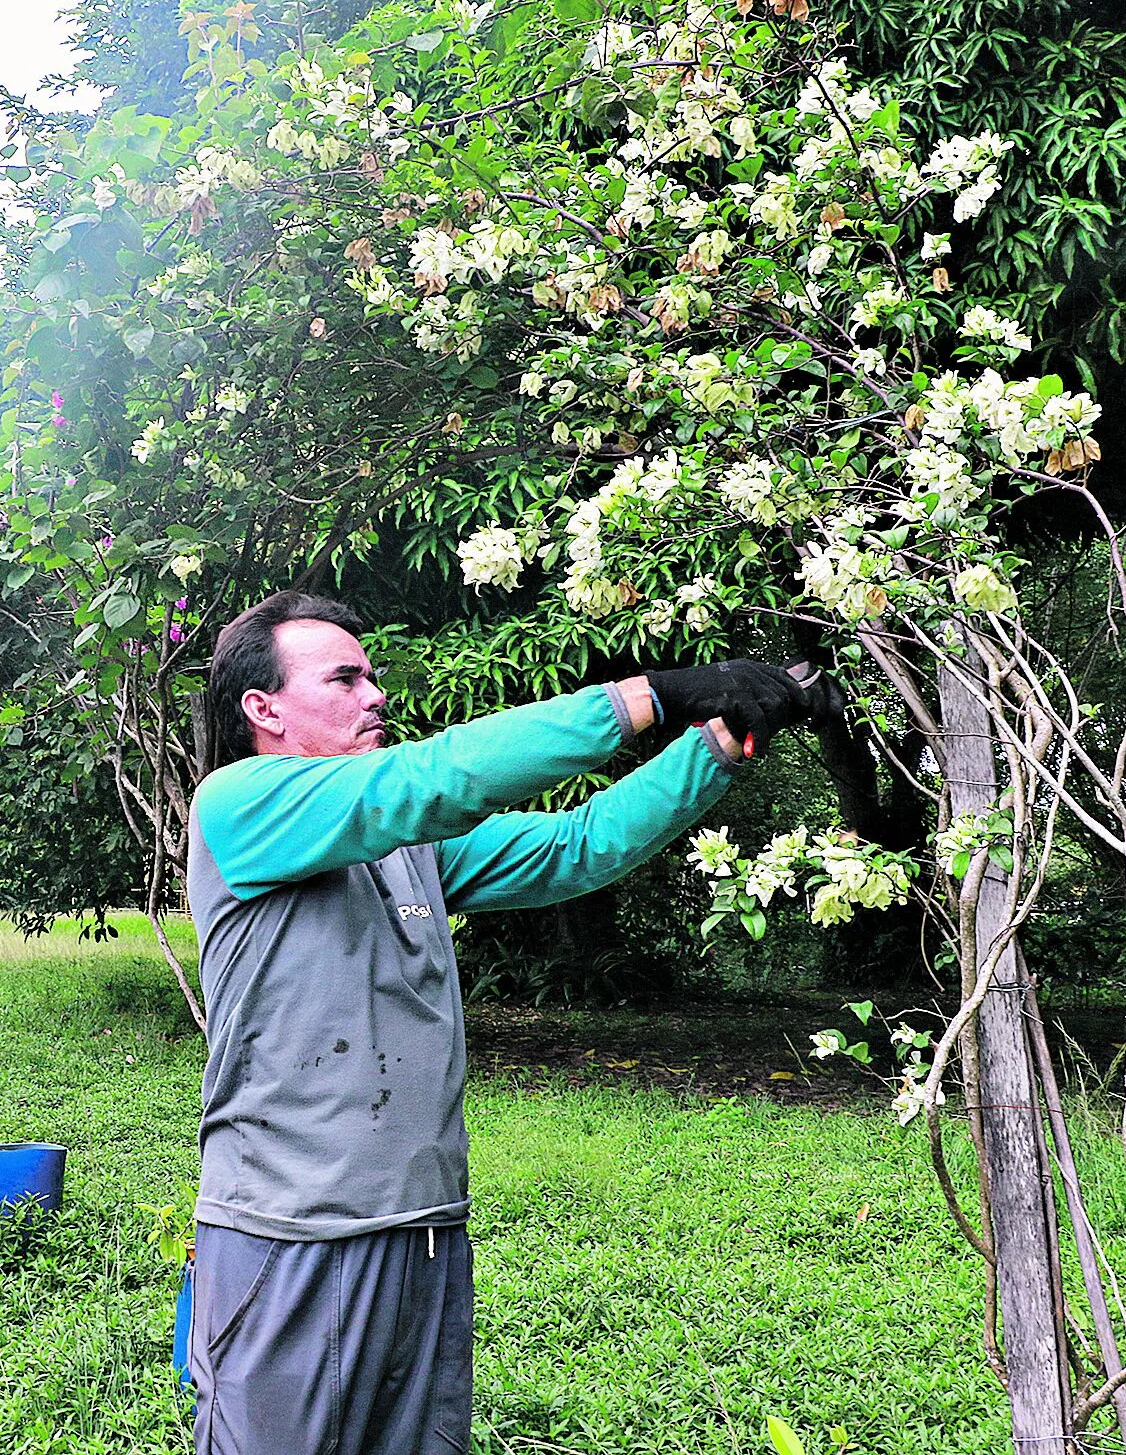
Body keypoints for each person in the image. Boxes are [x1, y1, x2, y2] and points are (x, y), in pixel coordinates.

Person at [185, 590, 819, 1455]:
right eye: (344, 677)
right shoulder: (239, 802)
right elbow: (441, 777)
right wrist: (660, 693)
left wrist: (715, 743)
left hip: (425, 1229)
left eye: (373, 675)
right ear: (265, 708)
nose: (375, 694)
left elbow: (579, 843)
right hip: (292, 1238)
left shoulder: (407, 844)